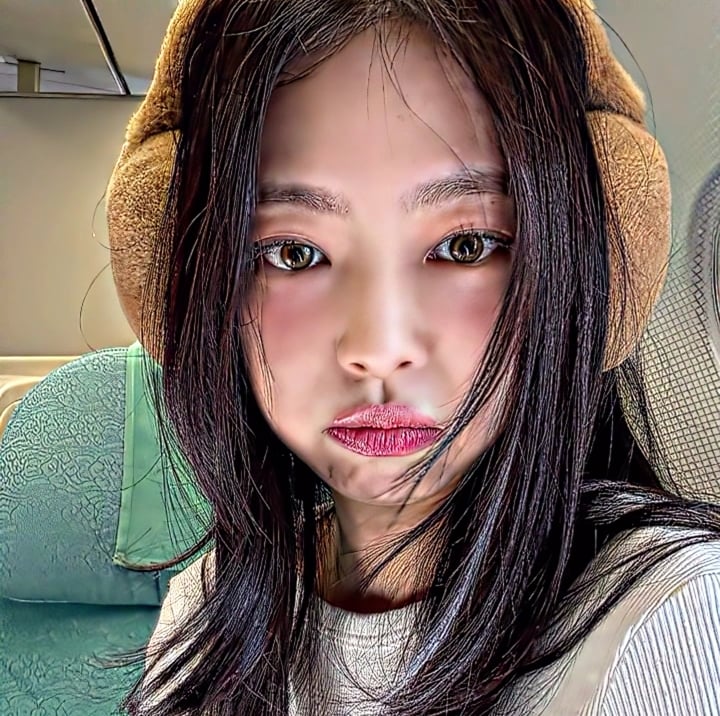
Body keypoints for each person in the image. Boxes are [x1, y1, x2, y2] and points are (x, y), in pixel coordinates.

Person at [106, 0, 720, 713]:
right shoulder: (207, 603)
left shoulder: (677, 620)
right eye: (292, 253)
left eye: (465, 245)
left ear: (580, 270)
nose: (379, 349)